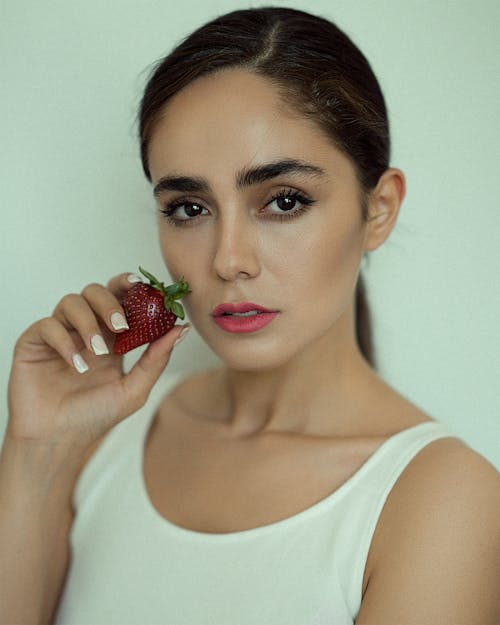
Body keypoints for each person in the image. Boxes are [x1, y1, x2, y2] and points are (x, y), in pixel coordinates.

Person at [1, 6, 499, 625]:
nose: (228, 260)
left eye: (283, 201)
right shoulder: (102, 432)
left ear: (379, 209)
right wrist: (37, 448)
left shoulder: (444, 501)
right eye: (188, 208)